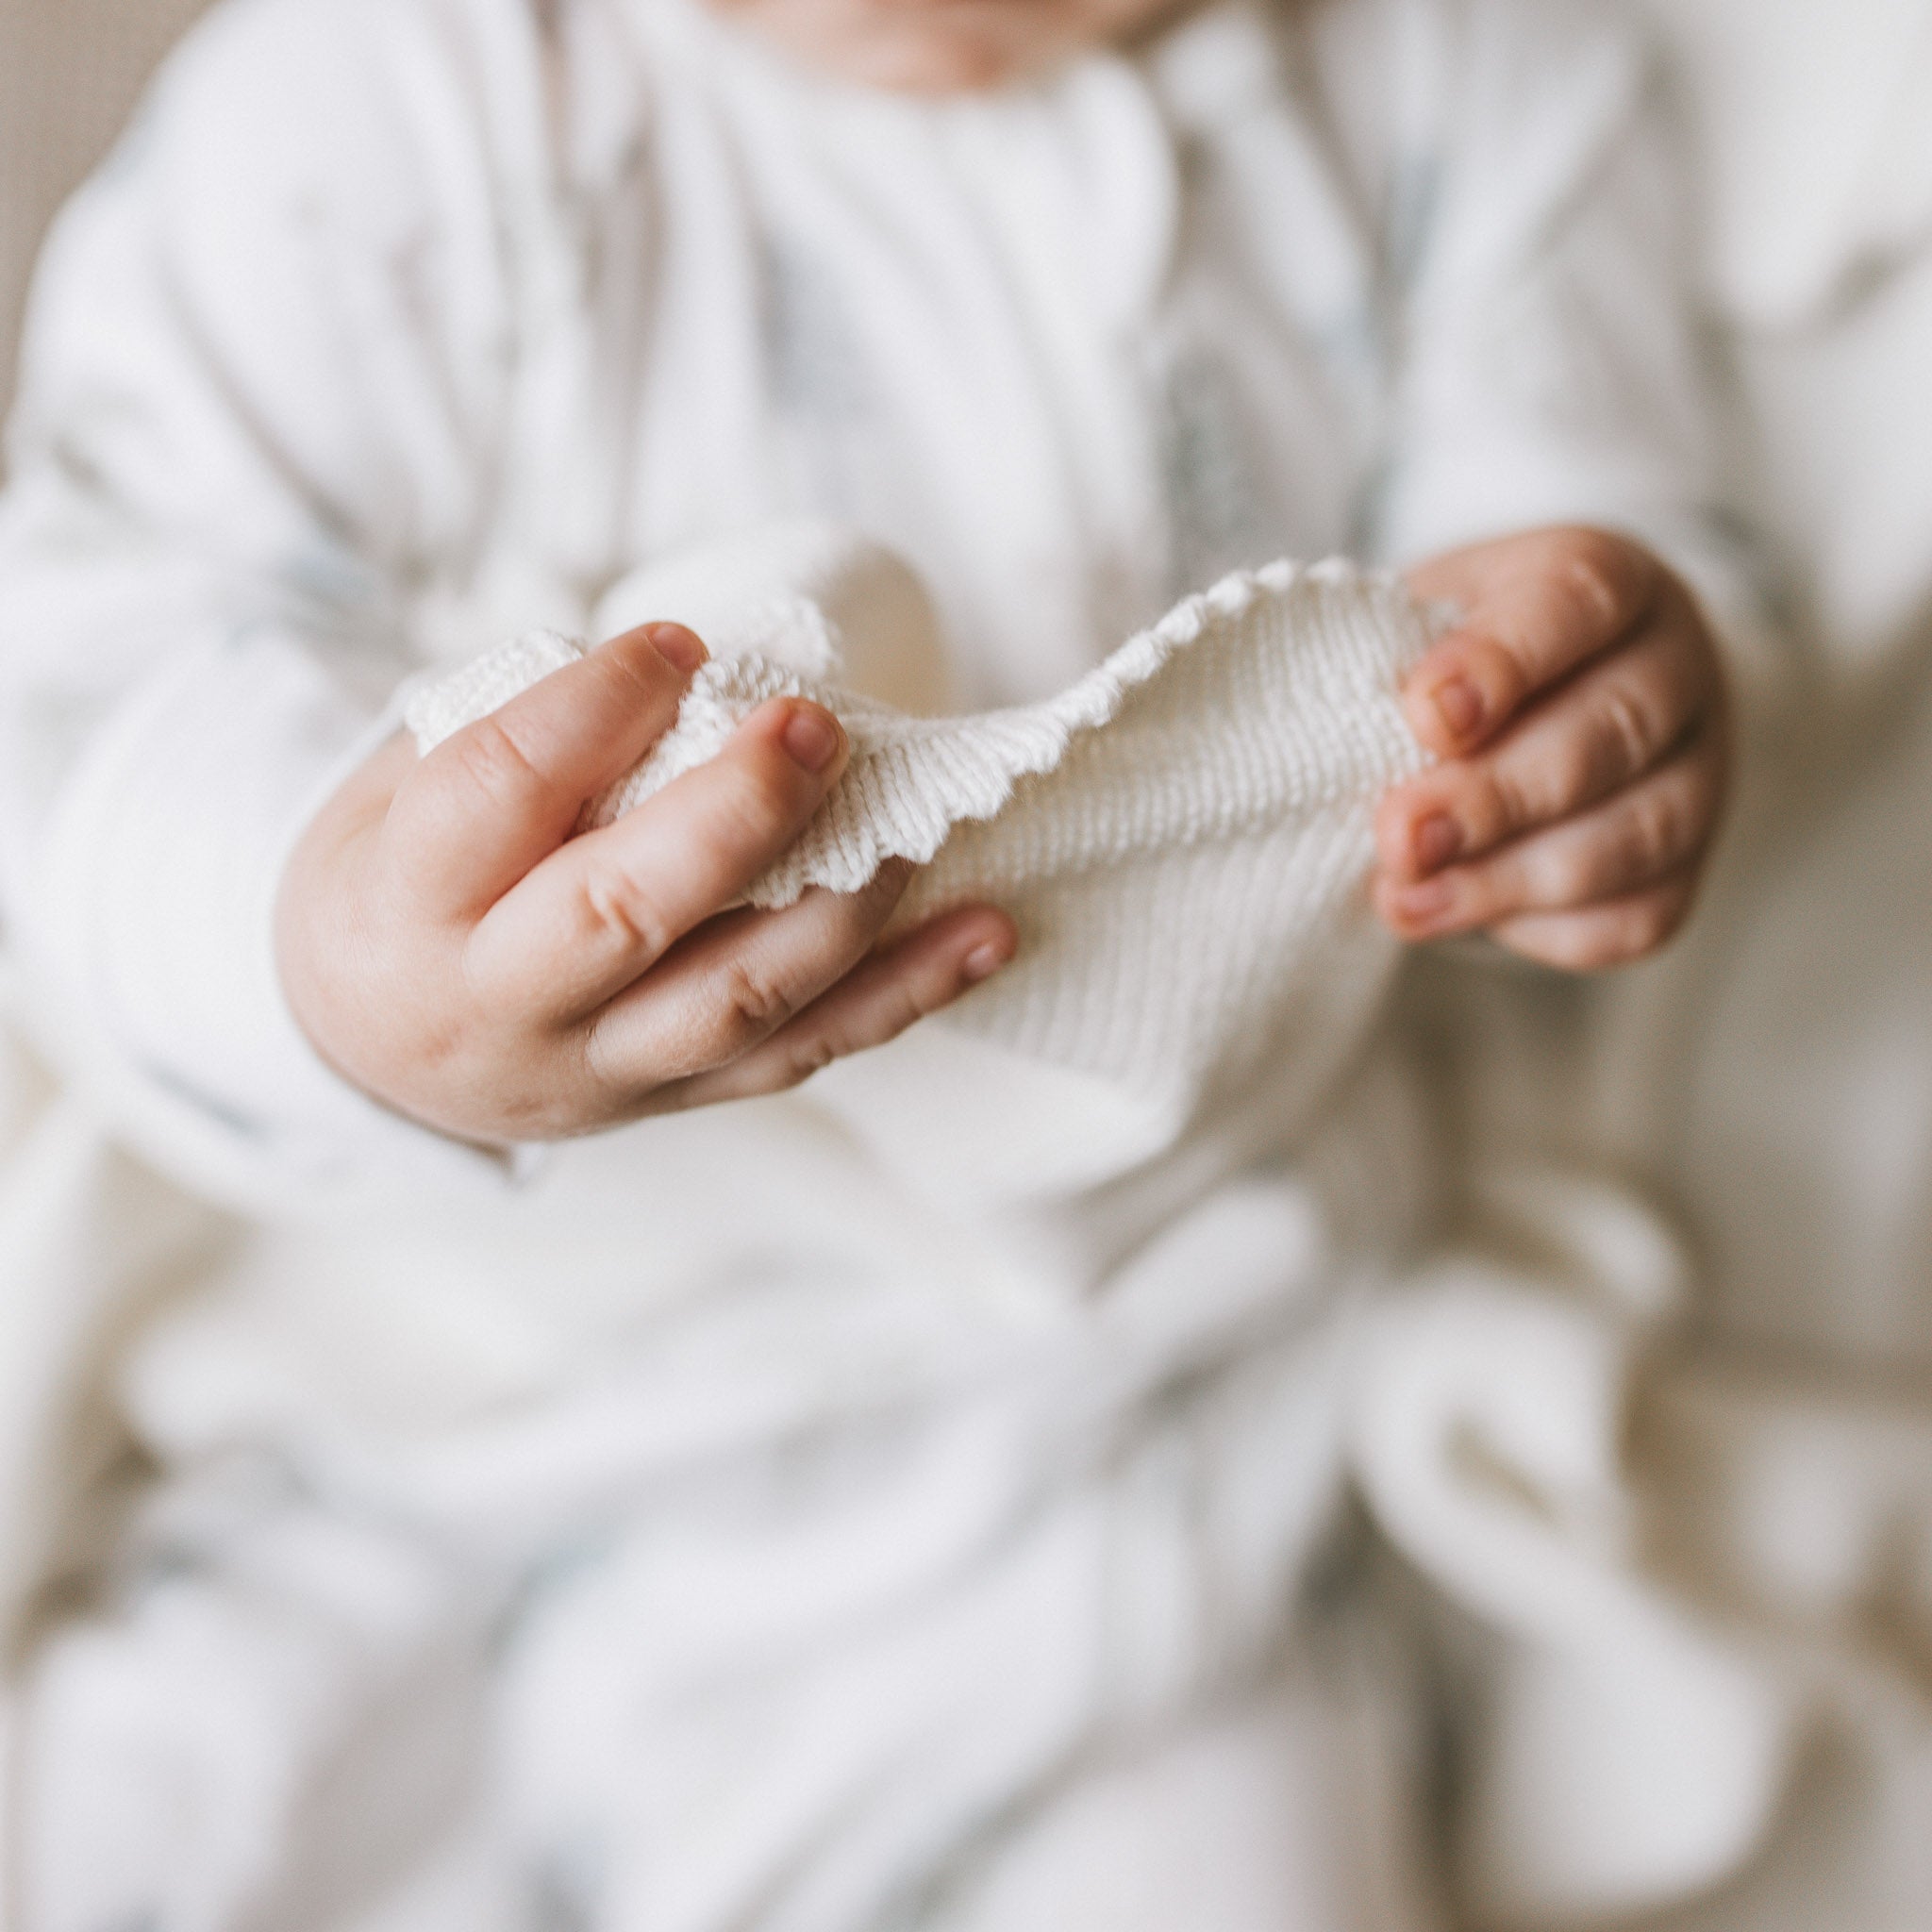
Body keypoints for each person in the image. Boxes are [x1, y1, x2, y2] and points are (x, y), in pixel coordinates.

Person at [0, 0, 1755, 1924]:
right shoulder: (381, 105)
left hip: (1119, 1497)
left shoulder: (1461, 71)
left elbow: (1612, 521)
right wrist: (326, 968)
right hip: (430, 1453)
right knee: (137, 1826)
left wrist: (1600, 693)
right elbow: (88, 701)